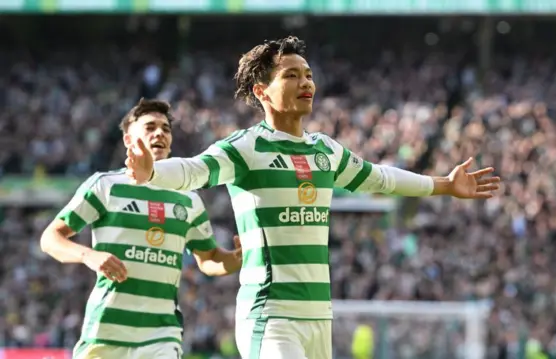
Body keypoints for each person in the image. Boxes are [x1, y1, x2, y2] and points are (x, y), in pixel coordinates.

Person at [124, 37, 501, 359]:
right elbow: (195, 170)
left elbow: (380, 179)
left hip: (319, 316)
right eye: (291, 75)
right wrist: (152, 171)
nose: (306, 82)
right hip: (270, 315)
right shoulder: (247, 147)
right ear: (261, 91)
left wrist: (443, 185)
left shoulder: (326, 150)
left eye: (308, 75)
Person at [40, 98, 243, 359]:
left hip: (162, 336)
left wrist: (237, 259)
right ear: (128, 140)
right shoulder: (105, 185)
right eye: (149, 127)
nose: (159, 132)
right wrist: (89, 255)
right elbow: (50, 238)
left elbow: (210, 259)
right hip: (105, 333)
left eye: (165, 128)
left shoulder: (189, 199)